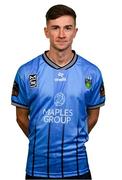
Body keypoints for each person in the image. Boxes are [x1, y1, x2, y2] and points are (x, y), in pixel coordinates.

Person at [11, 4, 105, 180]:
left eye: (67, 28)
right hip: (37, 168)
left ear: (75, 32)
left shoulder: (91, 73)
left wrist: (74, 138)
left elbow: (93, 116)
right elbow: (21, 117)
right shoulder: (26, 72)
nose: (62, 34)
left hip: (78, 167)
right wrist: (40, 141)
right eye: (55, 28)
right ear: (46, 31)